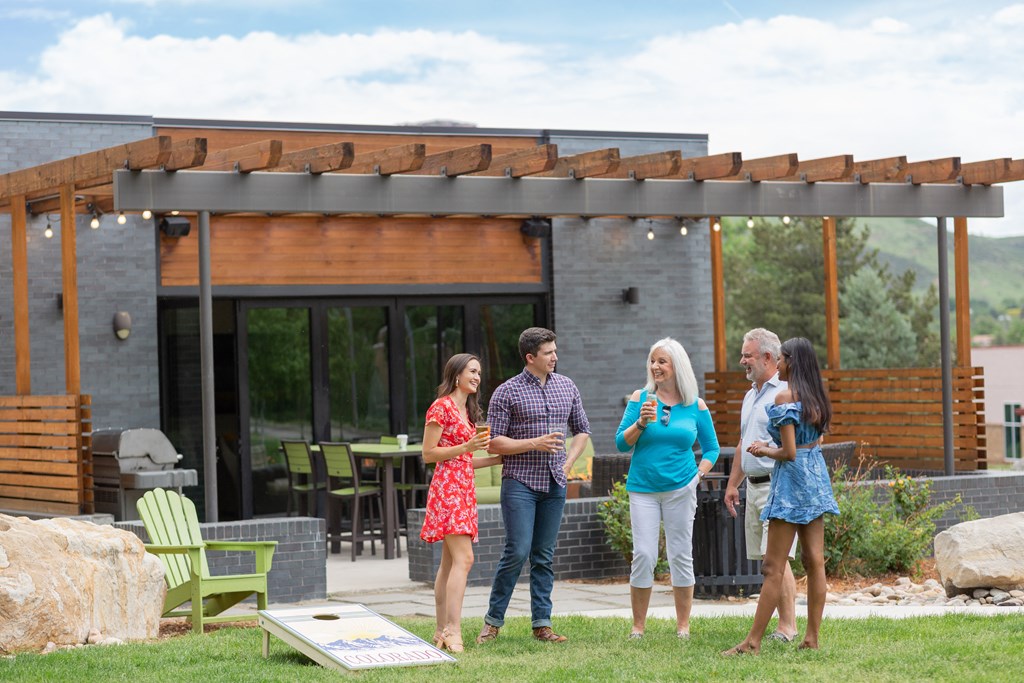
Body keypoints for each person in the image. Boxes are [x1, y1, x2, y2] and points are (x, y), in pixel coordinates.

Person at [723, 337, 840, 655]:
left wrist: (763, 449)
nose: (780, 363)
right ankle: (811, 638)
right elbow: (808, 446)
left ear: (792, 362)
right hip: (815, 480)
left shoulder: (785, 397)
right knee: (815, 562)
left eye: (783, 359)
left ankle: (752, 642)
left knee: (772, 567)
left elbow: (788, 453)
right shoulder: (815, 397)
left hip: (790, 485)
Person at [476, 327, 592, 645]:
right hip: (520, 482)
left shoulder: (567, 386)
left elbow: (582, 430)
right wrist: (534, 443)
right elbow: (494, 444)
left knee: (544, 555)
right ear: (530, 357)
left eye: (555, 350)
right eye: (548, 352)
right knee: (517, 550)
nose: (555, 356)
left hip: (555, 482)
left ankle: (542, 624)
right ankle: (492, 621)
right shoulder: (506, 392)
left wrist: (568, 463)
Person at [614, 337, 720, 640]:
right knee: (644, 554)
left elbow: (711, 449)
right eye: (652, 361)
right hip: (643, 488)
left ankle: (683, 626)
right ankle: (638, 627)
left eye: (662, 361)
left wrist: (697, 476)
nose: (655, 367)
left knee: (680, 555)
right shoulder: (640, 398)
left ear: (677, 366)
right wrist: (641, 424)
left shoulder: (695, 406)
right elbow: (621, 443)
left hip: (681, 489)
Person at [420, 353, 502, 653]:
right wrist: (467, 445)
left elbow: (463, 459)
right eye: (472, 371)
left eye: (479, 372)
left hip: (463, 488)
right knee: (464, 560)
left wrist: (495, 459)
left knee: (450, 562)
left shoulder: (465, 411)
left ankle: (441, 630)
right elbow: (429, 454)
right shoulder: (440, 407)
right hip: (448, 490)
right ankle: (453, 630)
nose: (477, 377)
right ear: (456, 375)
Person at [723, 328, 798, 643]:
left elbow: (795, 445)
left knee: (776, 558)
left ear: (768, 357)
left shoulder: (784, 392)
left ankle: (788, 626)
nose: (742, 361)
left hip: (777, 484)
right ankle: (783, 624)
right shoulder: (750, 394)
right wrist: (732, 485)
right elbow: (742, 443)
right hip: (752, 488)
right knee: (767, 560)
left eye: (747, 355)